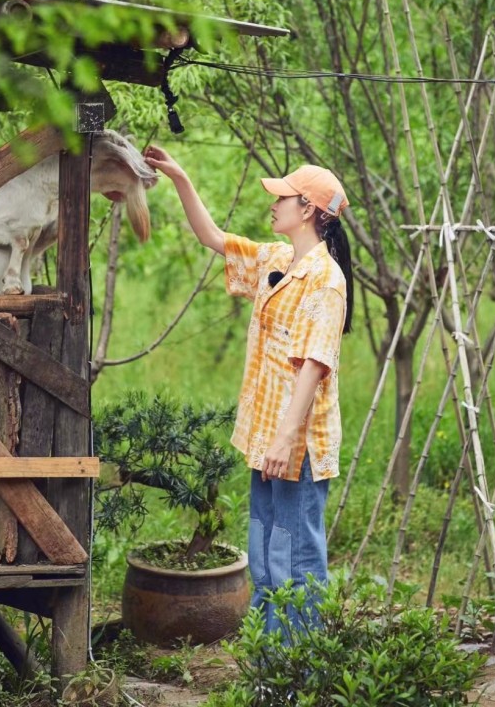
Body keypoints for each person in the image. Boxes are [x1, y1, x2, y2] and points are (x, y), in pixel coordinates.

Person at [143, 146, 353, 633]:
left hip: (295, 445)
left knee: (296, 560)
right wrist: (180, 177)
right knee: (264, 552)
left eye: (284, 196)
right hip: (266, 439)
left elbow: (313, 366)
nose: (274, 202)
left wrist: (285, 439)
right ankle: (270, 668)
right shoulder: (278, 258)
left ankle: (300, 668)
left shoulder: (326, 279)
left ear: (309, 211)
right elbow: (212, 237)